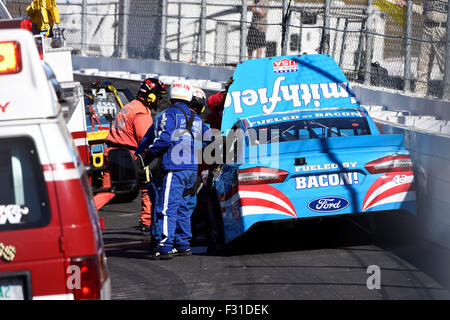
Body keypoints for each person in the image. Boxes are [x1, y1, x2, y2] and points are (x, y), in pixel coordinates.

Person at [135, 80, 212, 260]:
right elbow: (210, 138)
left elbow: (163, 139)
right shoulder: (196, 119)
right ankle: (183, 244)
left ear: (172, 97)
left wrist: (146, 155)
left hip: (174, 168)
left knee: (166, 207)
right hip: (191, 169)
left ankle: (165, 247)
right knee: (183, 208)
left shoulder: (167, 115)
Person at [94, 78, 167, 234]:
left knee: (107, 190)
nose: (159, 100)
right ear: (151, 96)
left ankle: (85, 213)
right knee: (148, 184)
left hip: (113, 152)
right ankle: (147, 221)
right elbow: (146, 140)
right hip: (128, 155)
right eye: (158, 96)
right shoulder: (141, 112)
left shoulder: (129, 106)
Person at [396, 0, 448, 96]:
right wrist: (408, 5)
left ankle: (447, 97)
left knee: (445, 66)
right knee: (423, 65)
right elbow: (422, 9)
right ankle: (419, 94)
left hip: (443, 29)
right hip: (427, 28)